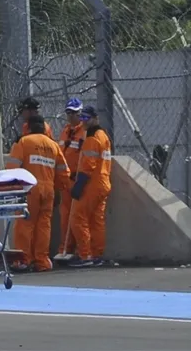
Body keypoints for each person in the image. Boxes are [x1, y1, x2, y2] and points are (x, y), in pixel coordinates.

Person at [5, 115, 70, 272]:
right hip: (49, 190)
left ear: (29, 127)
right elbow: (64, 173)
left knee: (25, 223)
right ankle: (42, 261)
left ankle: (23, 260)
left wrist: (11, 189)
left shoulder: (24, 142)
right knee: (44, 225)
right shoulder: (54, 146)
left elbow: (12, 169)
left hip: (29, 189)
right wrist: (58, 189)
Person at [69, 105, 113, 268]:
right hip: (103, 182)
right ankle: (96, 254)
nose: (84, 121)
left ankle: (85, 254)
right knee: (96, 221)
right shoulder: (103, 136)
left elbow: (88, 165)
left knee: (77, 218)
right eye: (82, 118)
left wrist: (79, 185)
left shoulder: (92, 138)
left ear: (95, 119)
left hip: (92, 184)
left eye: (87, 118)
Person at [55, 98, 87, 261]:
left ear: (80, 113)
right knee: (65, 215)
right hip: (65, 180)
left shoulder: (84, 132)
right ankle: (65, 248)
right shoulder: (65, 131)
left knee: (78, 217)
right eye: (68, 112)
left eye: (74, 113)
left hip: (77, 179)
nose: (71, 116)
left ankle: (82, 251)